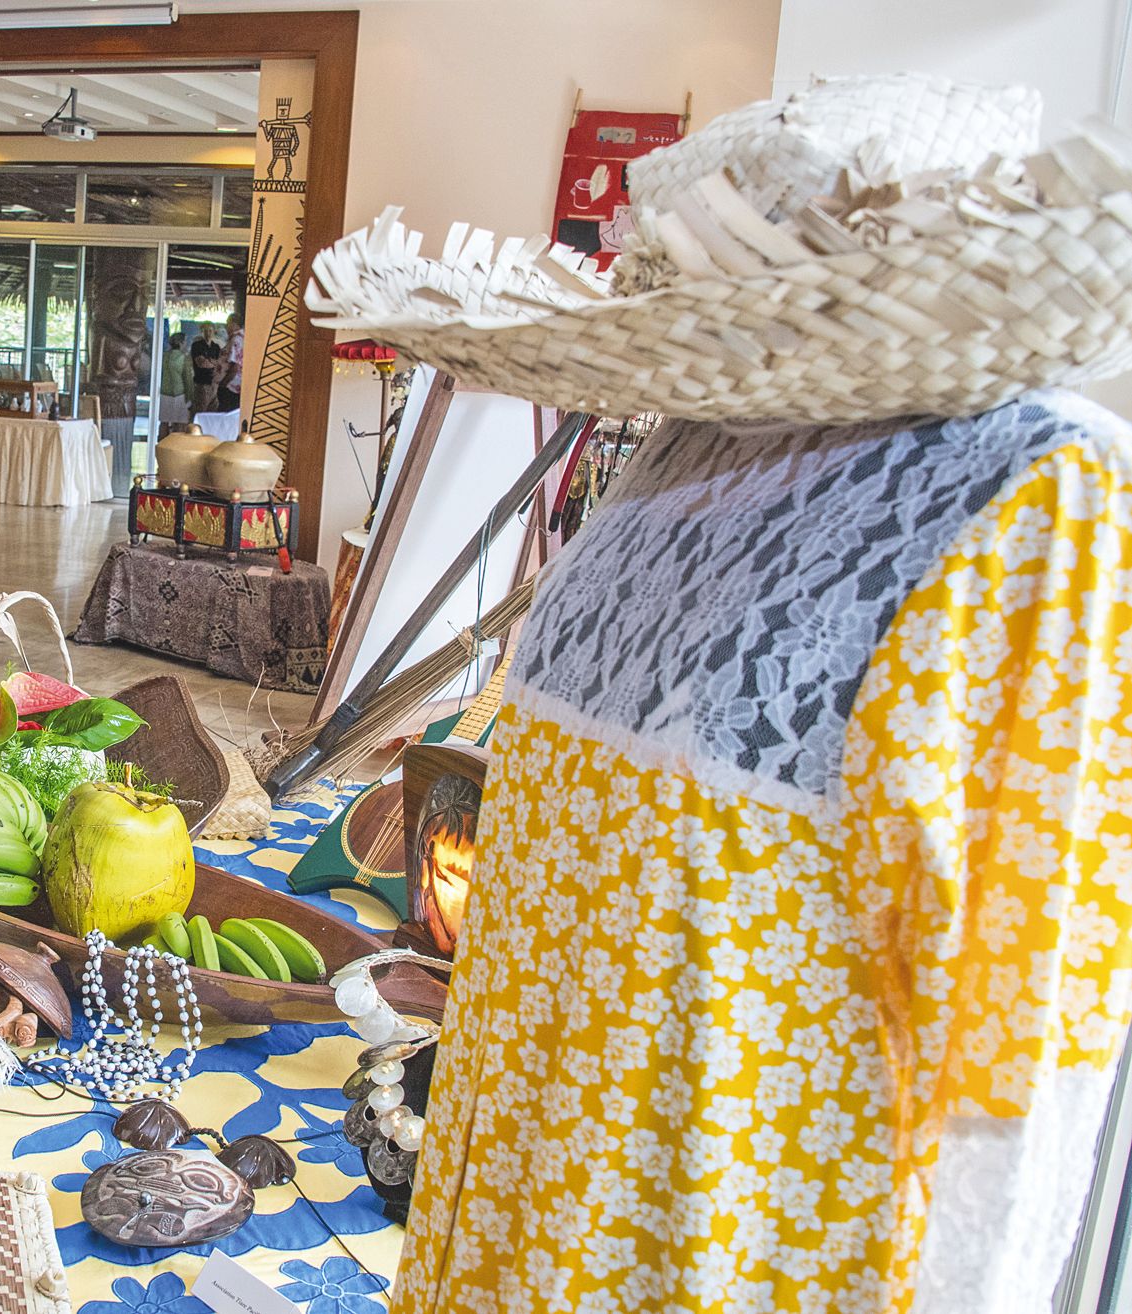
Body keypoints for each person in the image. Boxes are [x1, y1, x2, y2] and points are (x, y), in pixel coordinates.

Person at [311, 74, 1132, 1314]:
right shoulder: (682, 445)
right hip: (525, 1167)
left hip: (730, 1221)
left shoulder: (1037, 489)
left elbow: (1026, 1017)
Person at [158, 329, 192, 430]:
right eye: (185, 341)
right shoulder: (183, 358)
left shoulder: (164, 356)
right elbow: (188, 380)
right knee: (179, 424)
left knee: (164, 423)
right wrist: (190, 398)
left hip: (164, 392)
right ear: (181, 343)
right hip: (179, 394)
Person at [189, 323, 222, 414]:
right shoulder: (197, 346)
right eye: (205, 331)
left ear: (214, 332)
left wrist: (210, 361)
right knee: (200, 411)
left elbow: (220, 364)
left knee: (212, 412)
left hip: (214, 384)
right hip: (202, 384)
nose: (208, 333)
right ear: (202, 332)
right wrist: (213, 362)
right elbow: (202, 363)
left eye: (210, 330)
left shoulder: (216, 347)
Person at [219, 313, 245, 412]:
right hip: (236, 385)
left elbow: (235, 366)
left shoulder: (236, 340)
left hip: (231, 386)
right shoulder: (243, 338)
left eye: (228, 323)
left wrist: (223, 383)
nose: (226, 326)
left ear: (234, 324)